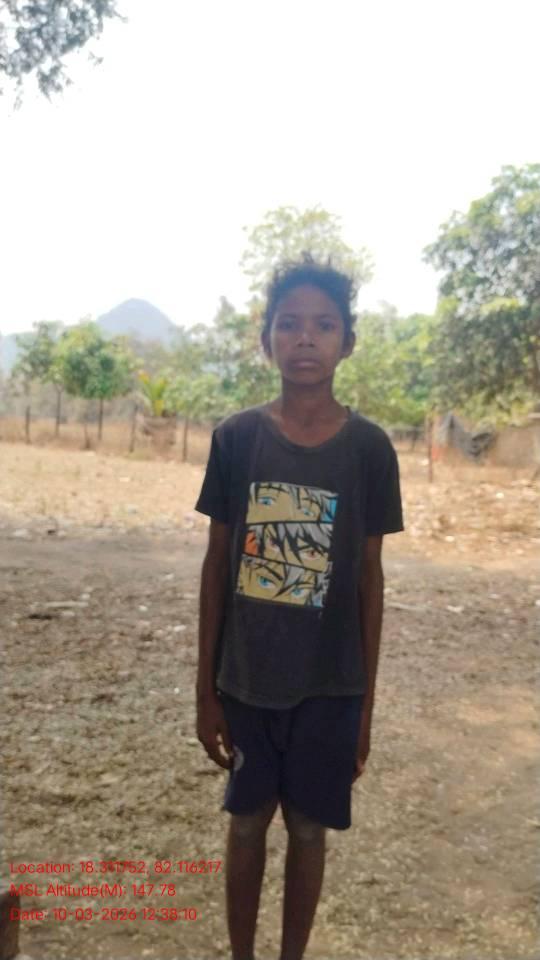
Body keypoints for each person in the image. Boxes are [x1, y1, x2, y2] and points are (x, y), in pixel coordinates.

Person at [194, 255, 404, 960]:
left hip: (330, 685)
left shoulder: (370, 450)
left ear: (348, 342)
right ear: (266, 341)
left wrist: (364, 705)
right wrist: (205, 689)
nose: (305, 338)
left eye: (323, 325)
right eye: (289, 324)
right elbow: (217, 565)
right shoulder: (235, 440)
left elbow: (370, 577)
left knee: (310, 829)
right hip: (247, 680)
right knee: (246, 822)